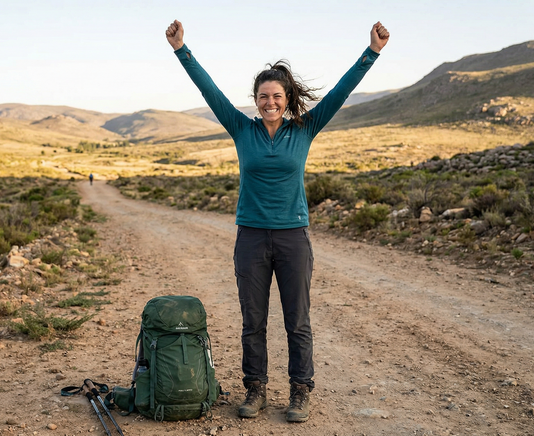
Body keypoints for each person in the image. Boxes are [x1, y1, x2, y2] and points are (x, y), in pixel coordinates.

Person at [165, 19, 389, 423]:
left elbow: (340, 93)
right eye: (263, 96)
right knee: (253, 321)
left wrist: (370, 53)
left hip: (293, 239)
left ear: (287, 100)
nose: (270, 102)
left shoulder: (305, 129)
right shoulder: (241, 129)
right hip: (251, 237)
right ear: (256, 100)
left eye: (276, 96)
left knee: (297, 321)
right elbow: (208, 90)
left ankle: (300, 391)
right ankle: (256, 389)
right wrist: (182, 49)